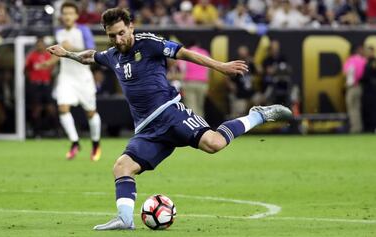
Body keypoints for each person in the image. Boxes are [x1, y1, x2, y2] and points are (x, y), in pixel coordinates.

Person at [46, 7, 293, 230]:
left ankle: (258, 115)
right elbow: (91, 56)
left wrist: (220, 66)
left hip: (170, 113)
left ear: (131, 27)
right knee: (122, 167)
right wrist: (67, 53)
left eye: (122, 33)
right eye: (112, 36)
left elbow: (184, 53)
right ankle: (125, 219)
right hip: (146, 129)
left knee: (214, 144)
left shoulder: (148, 43)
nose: (118, 39)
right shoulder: (113, 55)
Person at [40, 2, 102, 161]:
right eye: (65, 13)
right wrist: (48, 63)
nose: (67, 16)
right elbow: (58, 54)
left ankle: (95, 144)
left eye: (70, 13)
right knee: (62, 107)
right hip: (66, 76)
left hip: (83, 77)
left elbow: (92, 53)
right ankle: (75, 142)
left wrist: (71, 48)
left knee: (90, 112)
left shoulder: (83, 30)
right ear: (61, 16)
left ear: (76, 16)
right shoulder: (58, 32)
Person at [25, 37, 58, 137]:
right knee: (37, 109)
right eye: (38, 44)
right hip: (35, 85)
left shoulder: (49, 56)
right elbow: (26, 70)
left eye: (41, 44)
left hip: (46, 85)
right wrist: (32, 79)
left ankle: (57, 131)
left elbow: (52, 71)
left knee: (50, 108)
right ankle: (36, 133)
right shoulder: (31, 56)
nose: (40, 46)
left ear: (44, 45)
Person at [178, 40, 210, 117]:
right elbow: (208, 69)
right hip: (202, 83)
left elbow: (182, 69)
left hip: (189, 83)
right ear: (198, 44)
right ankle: (203, 127)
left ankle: (194, 127)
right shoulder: (204, 52)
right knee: (200, 106)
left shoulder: (185, 52)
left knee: (190, 107)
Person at [343, 44, 366, 133]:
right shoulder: (364, 60)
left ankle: (355, 128)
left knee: (352, 108)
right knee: (357, 108)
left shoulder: (351, 60)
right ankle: (358, 127)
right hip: (359, 86)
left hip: (353, 87)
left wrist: (352, 82)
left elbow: (346, 73)